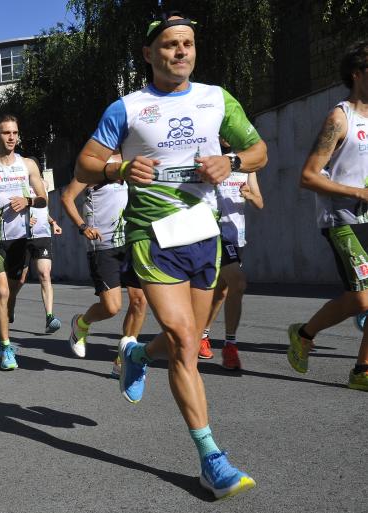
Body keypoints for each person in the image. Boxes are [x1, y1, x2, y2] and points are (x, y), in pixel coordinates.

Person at [74, 12, 268, 499]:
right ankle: (211, 459)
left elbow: (260, 149)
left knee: (186, 341)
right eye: (169, 44)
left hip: (203, 232)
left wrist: (234, 162)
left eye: (188, 43)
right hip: (151, 235)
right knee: (184, 340)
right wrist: (119, 168)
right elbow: (85, 163)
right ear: (148, 54)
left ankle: (137, 352)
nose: (180, 51)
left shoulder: (216, 98)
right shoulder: (128, 107)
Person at [287, 39, 368, 392]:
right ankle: (305, 334)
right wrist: (357, 192)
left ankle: (362, 370)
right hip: (343, 220)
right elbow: (308, 175)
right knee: (364, 298)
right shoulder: (340, 117)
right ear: (357, 73)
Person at [61, 157, 148, 377]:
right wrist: (82, 227)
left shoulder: (132, 158)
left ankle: (123, 359)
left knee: (139, 301)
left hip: (132, 243)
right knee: (111, 307)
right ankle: (81, 324)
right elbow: (67, 197)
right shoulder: (95, 163)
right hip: (103, 246)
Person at [0, 115, 48, 370]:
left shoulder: (28, 164)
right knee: (2, 291)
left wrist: (28, 201)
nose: (11, 137)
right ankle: (7, 349)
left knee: (17, 283)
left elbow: (43, 198)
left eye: (15, 133)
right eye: (6, 133)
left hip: (20, 238)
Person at [199, 153, 264, 369]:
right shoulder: (210, 157)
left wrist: (249, 195)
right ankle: (230, 346)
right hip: (215, 233)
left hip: (237, 236)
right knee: (238, 282)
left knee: (222, 291)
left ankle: (202, 335)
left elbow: (260, 202)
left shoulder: (247, 164)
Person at [7, 180, 62, 333]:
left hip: (42, 236)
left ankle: (49, 317)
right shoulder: (16, 183)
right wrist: (23, 220)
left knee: (45, 274)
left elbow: (44, 210)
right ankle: (10, 306)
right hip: (22, 236)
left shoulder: (42, 185)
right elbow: (11, 209)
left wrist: (53, 223)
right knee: (20, 280)